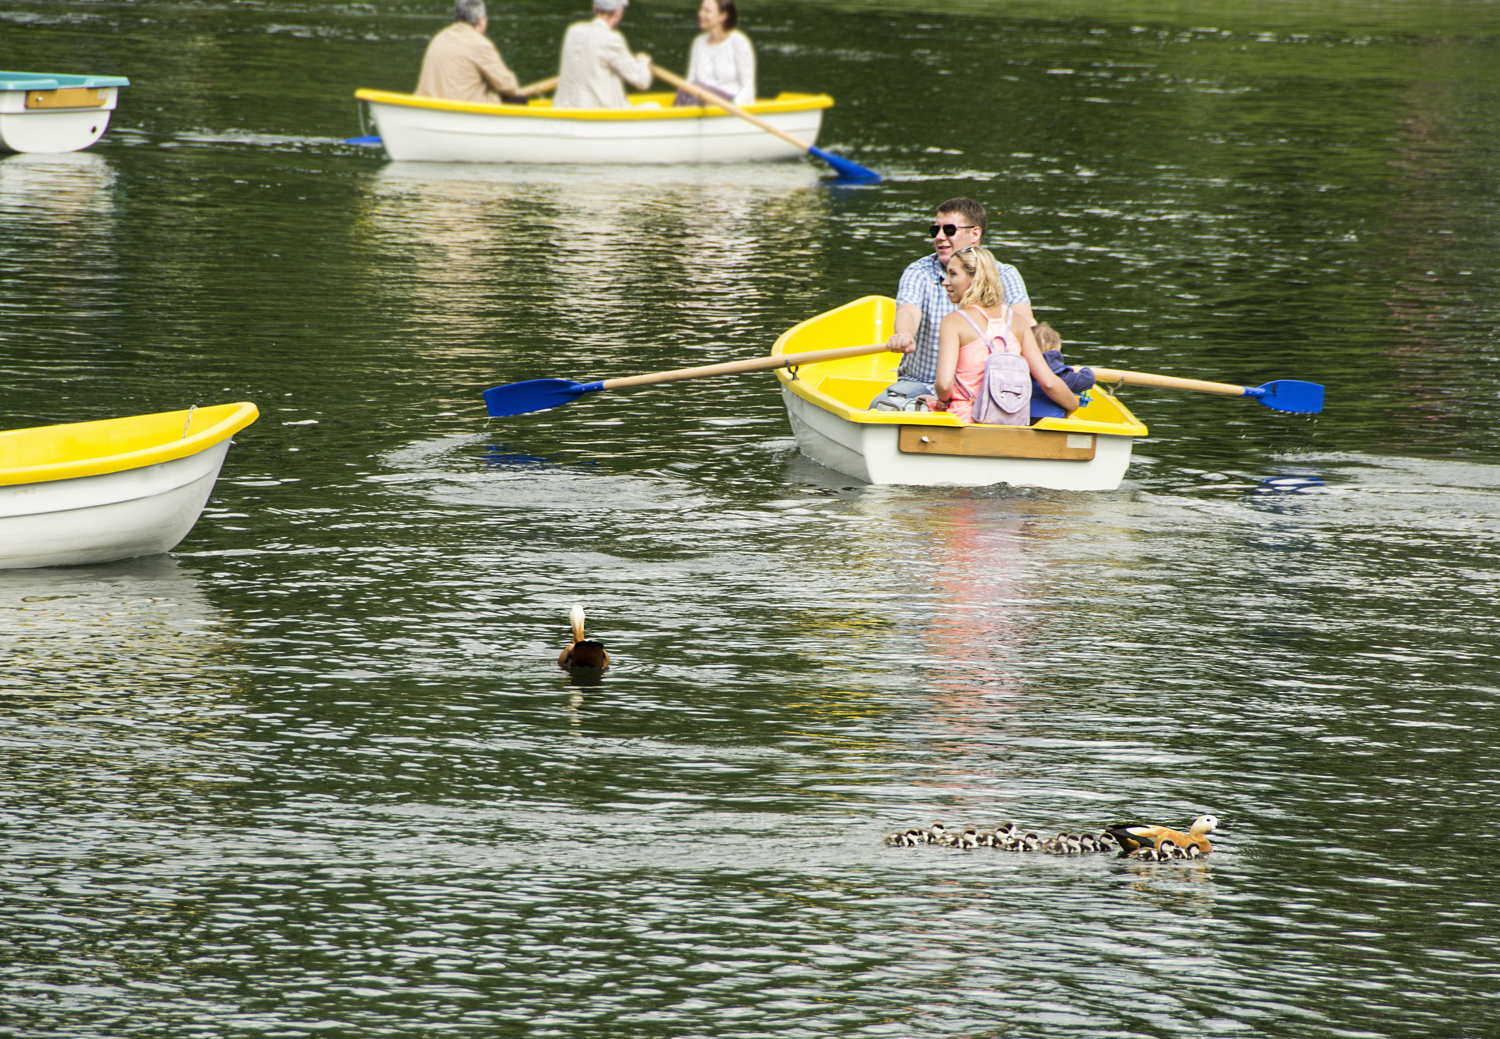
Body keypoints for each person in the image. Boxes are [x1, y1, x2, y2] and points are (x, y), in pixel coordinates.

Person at [886, 198, 1037, 395]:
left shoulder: (1005, 274)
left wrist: (1043, 347)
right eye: (935, 230)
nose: (939, 237)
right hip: (923, 383)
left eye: (949, 230)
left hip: (986, 390)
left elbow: (1025, 320)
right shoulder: (919, 271)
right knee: (880, 406)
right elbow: (908, 310)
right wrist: (904, 334)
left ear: (975, 233)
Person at [930, 245, 1077, 424]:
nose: (945, 281)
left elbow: (944, 386)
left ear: (975, 278)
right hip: (1010, 423)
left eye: (953, 274)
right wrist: (1073, 405)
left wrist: (942, 403)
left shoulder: (953, 321)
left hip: (964, 423)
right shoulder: (1018, 322)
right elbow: (1049, 383)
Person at [415, 0, 528, 106]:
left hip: (430, 107)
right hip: (463, 110)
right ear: (481, 21)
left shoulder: (438, 39)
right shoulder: (480, 44)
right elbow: (509, 87)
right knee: (519, 100)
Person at [554, 0, 653, 110]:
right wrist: (643, 64)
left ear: (594, 8)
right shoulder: (611, 39)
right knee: (654, 107)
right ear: (618, 12)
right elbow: (643, 81)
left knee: (611, 76)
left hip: (564, 111)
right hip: (596, 115)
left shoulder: (573, 31)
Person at [674, 0, 755, 107]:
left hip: (730, 104)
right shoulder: (698, 43)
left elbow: (748, 89)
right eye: (701, 10)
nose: (700, 14)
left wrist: (732, 108)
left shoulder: (739, 43)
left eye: (707, 11)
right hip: (701, 102)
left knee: (698, 89)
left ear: (723, 16)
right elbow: (691, 82)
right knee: (686, 89)